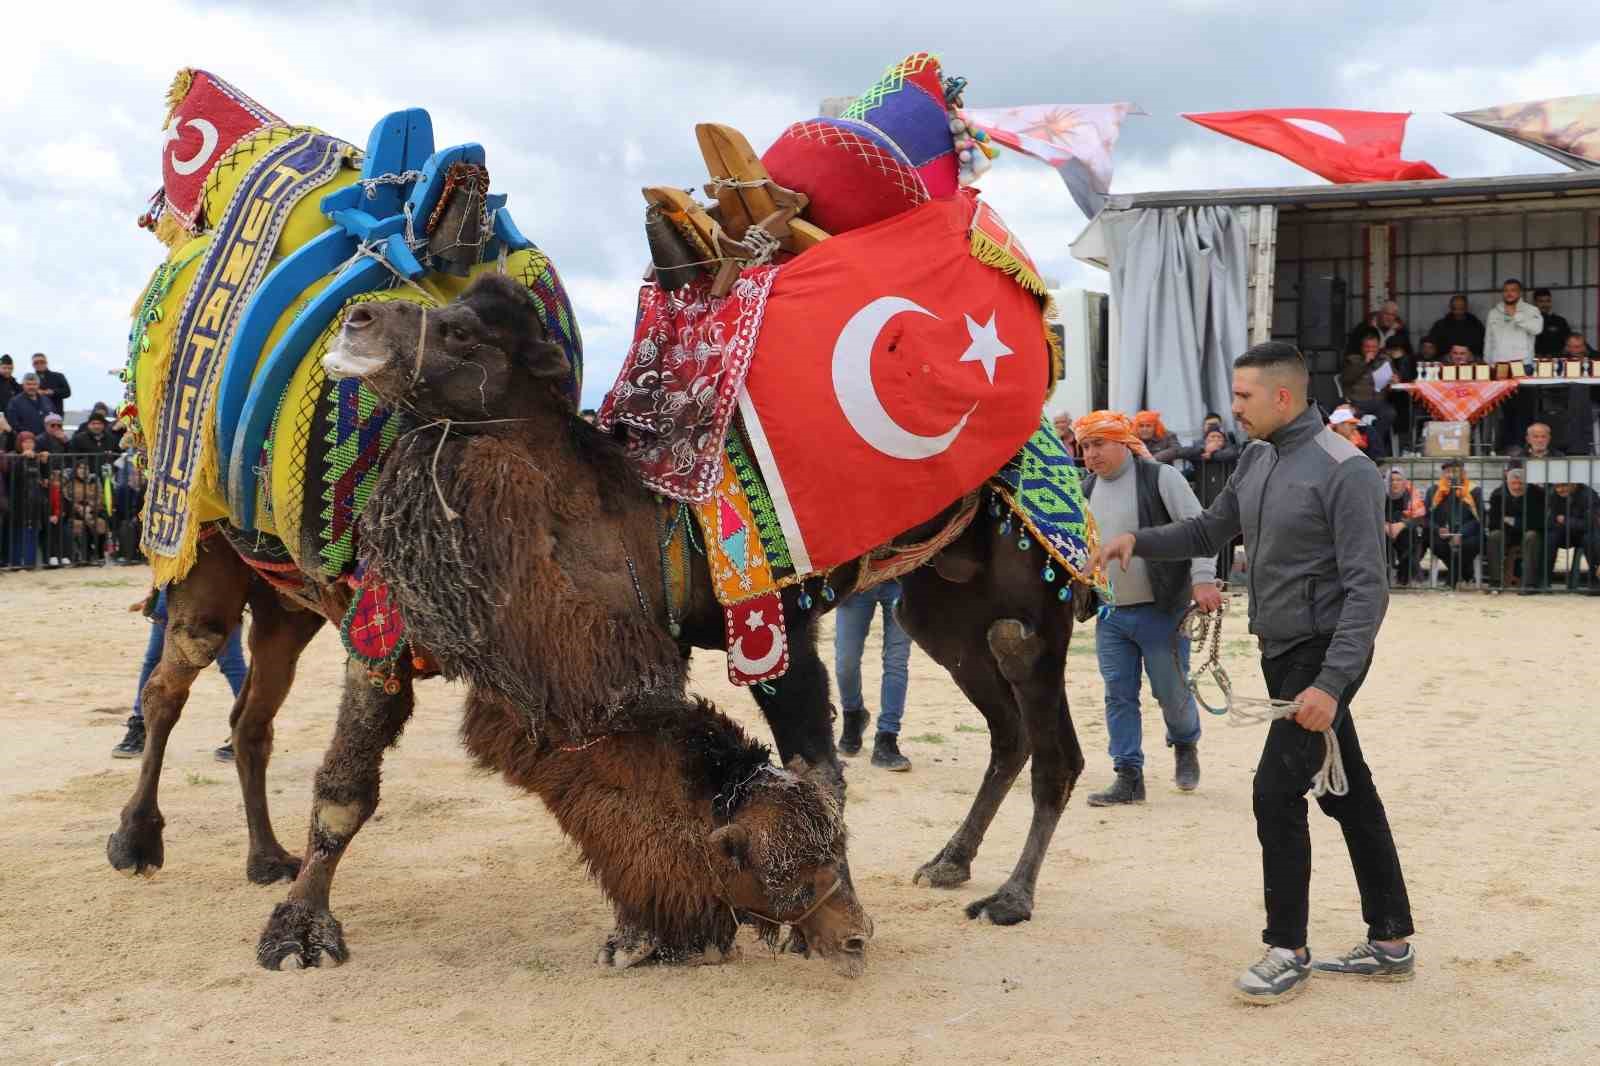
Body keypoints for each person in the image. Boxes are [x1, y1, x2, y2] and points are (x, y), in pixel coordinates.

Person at [1095, 341, 1413, 1005]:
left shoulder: (1345, 469)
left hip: (1321, 655)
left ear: (1282, 397)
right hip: (1279, 649)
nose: (1232, 408)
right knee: (1346, 792)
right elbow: (1209, 530)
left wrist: (1329, 685)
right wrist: (1138, 540)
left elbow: (1368, 589)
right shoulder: (1259, 457)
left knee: (1275, 793)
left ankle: (1286, 949)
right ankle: (1390, 940)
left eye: (1242, 397)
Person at [1075, 410, 1219, 805]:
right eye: (1085, 446)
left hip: (1163, 610)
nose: (1091, 454)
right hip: (1111, 614)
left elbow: (1201, 530)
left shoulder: (1161, 478)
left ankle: (1185, 744)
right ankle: (1128, 775)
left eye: (1098, 444)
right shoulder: (1085, 490)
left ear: (1122, 442)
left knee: (1171, 693)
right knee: (1118, 694)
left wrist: (1203, 578)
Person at [112, 589, 244, 760]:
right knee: (154, 659)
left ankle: (249, 728)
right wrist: (155, 589)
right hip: (173, 587)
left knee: (231, 662)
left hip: (218, 589)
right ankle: (141, 724)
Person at [833, 579, 912, 771]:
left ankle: (887, 737)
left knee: (897, 661)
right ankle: (853, 714)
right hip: (857, 580)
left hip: (903, 579)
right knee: (846, 661)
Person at [1485, 467, 1547, 592]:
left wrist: (1512, 521)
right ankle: (1495, 582)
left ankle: (1529, 584)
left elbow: (1539, 522)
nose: (1517, 487)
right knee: (1494, 536)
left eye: (1521, 483)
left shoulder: (1538, 493)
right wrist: (1523, 521)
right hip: (1506, 533)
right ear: (1507, 482)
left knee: (1532, 536)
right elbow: (1494, 523)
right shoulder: (1498, 494)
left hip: (1529, 532)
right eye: (1513, 483)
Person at [1427, 460, 1484, 588]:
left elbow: (1479, 519)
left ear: (1463, 473)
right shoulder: (1434, 490)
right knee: (1437, 544)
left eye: (1456, 471)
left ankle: (1452, 579)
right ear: (1443, 474)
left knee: (1470, 545)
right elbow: (1427, 518)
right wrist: (1438, 529)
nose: (1451, 475)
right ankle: (1466, 575)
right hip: (1443, 534)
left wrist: (1461, 533)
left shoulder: (1474, 490)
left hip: (1468, 534)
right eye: (1448, 472)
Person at [1546, 482, 1598, 592]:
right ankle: (1544, 581)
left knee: (1590, 538)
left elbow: (1590, 524)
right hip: (1564, 533)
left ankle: (1595, 581)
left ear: (1574, 483)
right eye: (1557, 486)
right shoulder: (1552, 494)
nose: (1559, 489)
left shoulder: (1589, 495)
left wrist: (1565, 520)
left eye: (1563, 485)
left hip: (1584, 534)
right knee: (1550, 537)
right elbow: (1550, 521)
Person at [1382, 467, 1427, 586]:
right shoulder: (1379, 493)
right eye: (1391, 480)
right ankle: (1384, 579)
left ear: (1404, 481)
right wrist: (1385, 526)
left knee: (1411, 538)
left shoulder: (1411, 494)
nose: (1395, 483)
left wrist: (1402, 525)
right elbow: (1371, 514)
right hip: (1383, 531)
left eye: (1398, 480)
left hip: (1403, 530)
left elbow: (1420, 518)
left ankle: (1405, 577)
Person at [1483, 279, 1542, 366]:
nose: (1509, 293)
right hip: (1498, 362)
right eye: (1506, 290)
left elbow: (1537, 330)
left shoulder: (1531, 310)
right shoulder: (1493, 312)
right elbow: (1488, 339)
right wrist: (1487, 361)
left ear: (1520, 292)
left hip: (1523, 363)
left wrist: (1516, 316)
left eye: (1513, 290)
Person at [1425, 295, 1485, 359]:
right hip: (1447, 364)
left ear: (1466, 308)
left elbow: (1484, 345)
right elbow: (1432, 346)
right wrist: (1444, 356)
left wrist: (1474, 356)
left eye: (1461, 309)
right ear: (1450, 308)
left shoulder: (1476, 324)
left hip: (1471, 364)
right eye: (1455, 309)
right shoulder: (1440, 326)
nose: (1458, 312)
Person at [5, 372, 53, 438]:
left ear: (38, 385)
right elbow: (13, 424)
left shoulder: (47, 401)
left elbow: (53, 419)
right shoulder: (14, 402)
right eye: (28, 384)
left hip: (45, 441)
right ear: (23, 385)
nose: (31, 387)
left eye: (34, 384)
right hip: (26, 442)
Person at [1532, 289, 1571, 358]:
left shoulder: (1560, 321)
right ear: (1535, 303)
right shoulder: (1528, 321)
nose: (1545, 304)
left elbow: (1570, 341)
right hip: (1534, 362)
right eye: (1541, 301)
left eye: (1548, 301)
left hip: (1556, 361)